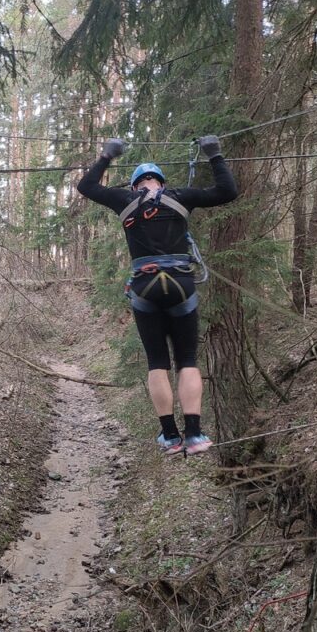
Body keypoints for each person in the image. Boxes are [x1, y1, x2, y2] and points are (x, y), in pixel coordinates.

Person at [77, 135, 237, 455]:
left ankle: (170, 436)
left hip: (145, 287)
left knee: (157, 362)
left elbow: (86, 186)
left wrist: (108, 156)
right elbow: (227, 191)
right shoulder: (181, 196)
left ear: (136, 185)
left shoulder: (125, 200)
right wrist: (214, 155)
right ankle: (194, 434)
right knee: (188, 360)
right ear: (160, 182)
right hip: (181, 284)